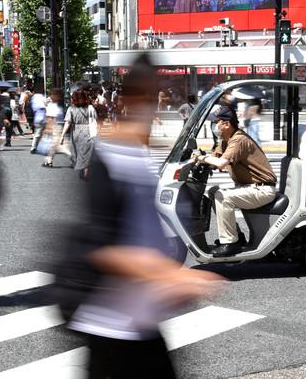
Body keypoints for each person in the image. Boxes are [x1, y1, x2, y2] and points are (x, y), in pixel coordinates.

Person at [65, 54, 223, 378]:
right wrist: (170, 275)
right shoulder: (108, 158)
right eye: (149, 97)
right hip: (110, 326)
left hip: (142, 322)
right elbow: (102, 247)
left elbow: (142, 233)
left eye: (156, 96)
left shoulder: (138, 155)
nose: (153, 107)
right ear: (129, 100)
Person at [194, 105, 277, 257]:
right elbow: (216, 157)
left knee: (222, 196)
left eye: (216, 121)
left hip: (262, 189)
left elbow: (221, 163)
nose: (213, 125)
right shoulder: (226, 140)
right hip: (250, 187)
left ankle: (230, 243)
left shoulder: (238, 140)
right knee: (213, 192)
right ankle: (237, 236)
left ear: (226, 124)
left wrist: (200, 157)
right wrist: (198, 159)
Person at [61, 89, 97, 180]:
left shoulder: (71, 109)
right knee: (87, 151)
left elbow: (67, 123)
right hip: (88, 130)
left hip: (76, 131)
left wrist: (62, 135)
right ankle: (85, 170)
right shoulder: (90, 108)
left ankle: (83, 169)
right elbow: (95, 120)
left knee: (79, 151)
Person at [43, 90, 72, 168]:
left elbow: (50, 118)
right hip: (60, 125)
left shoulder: (53, 105)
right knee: (54, 145)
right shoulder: (62, 105)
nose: (51, 96)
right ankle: (48, 160)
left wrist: (48, 128)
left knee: (57, 146)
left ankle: (74, 159)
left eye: (52, 94)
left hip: (55, 126)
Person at [29, 86, 50, 154]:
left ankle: (35, 147)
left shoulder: (33, 97)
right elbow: (45, 104)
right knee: (42, 133)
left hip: (37, 117)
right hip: (42, 116)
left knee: (38, 133)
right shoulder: (40, 96)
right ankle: (35, 147)